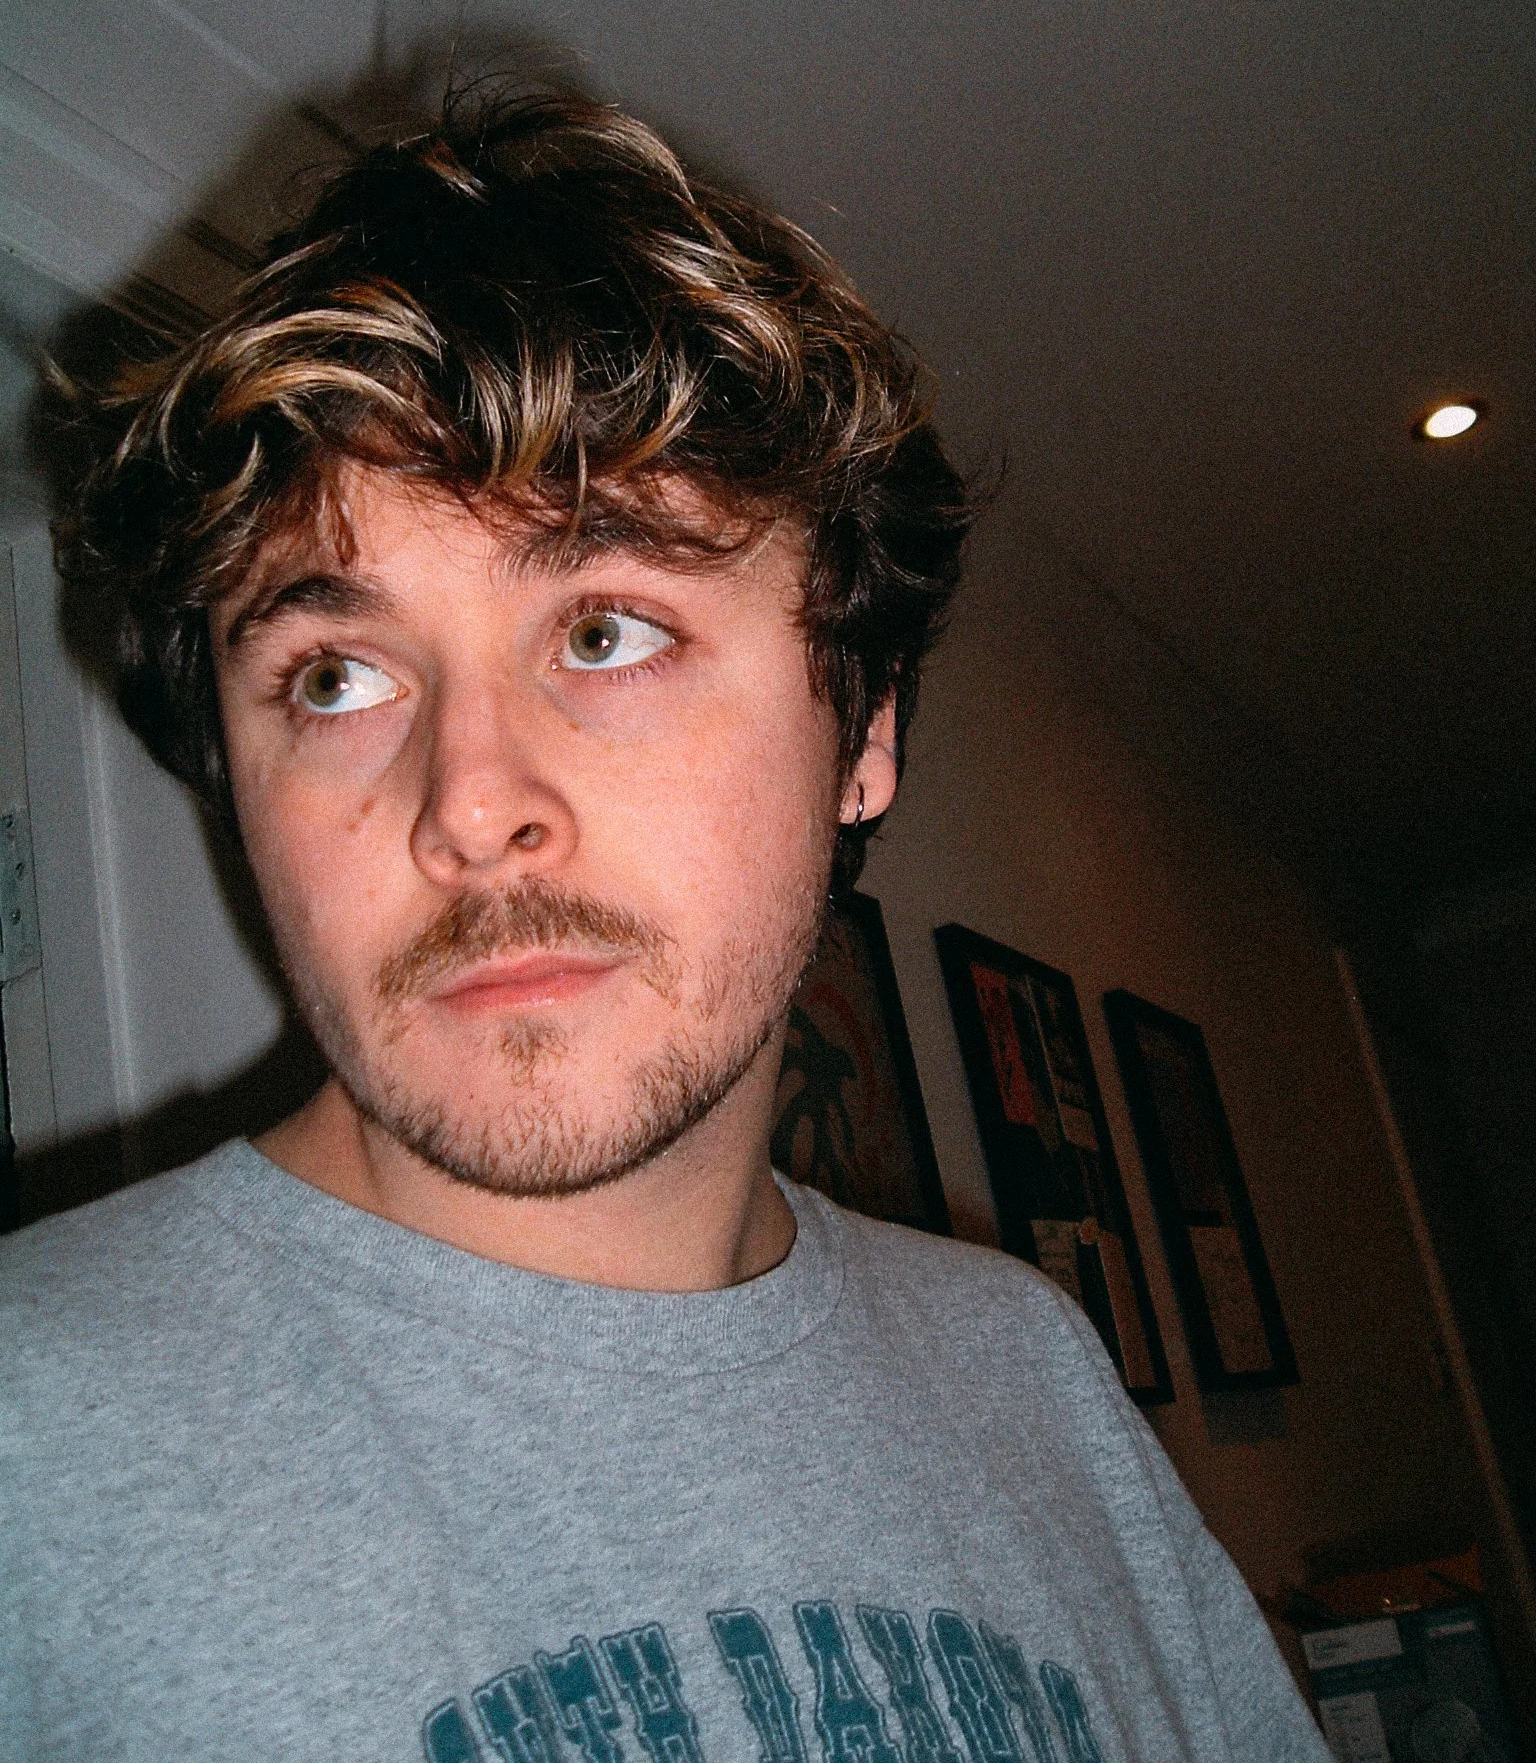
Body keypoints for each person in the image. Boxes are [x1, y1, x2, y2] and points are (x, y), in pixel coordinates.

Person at [0, 92, 1329, 1762]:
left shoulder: (1035, 1378)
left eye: (608, 631)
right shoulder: (31, 1449)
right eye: (336, 678)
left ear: (862, 736)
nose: (467, 803)